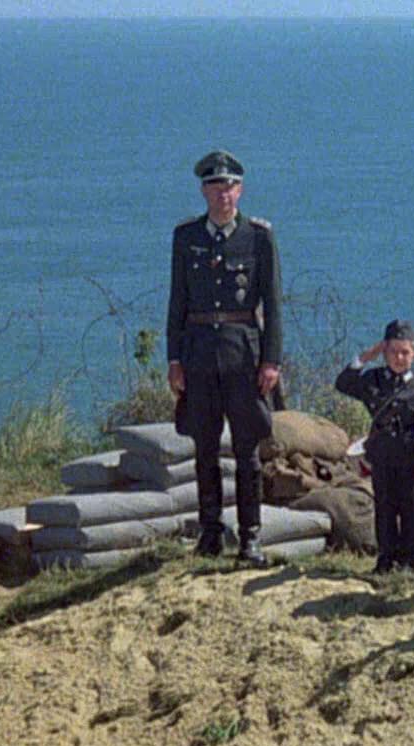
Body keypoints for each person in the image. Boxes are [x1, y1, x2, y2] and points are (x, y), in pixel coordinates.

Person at [165, 149, 282, 566]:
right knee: (205, 448)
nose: (223, 194)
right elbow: (177, 300)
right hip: (198, 355)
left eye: (230, 186)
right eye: (215, 186)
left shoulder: (258, 236)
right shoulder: (186, 237)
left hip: (243, 355)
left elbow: (272, 301)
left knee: (247, 451)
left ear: (240, 190)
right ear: (203, 191)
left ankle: (250, 537)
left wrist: (271, 360)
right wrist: (173, 358)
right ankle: (210, 532)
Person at [336, 320, 414, 574]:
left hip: (411, 453)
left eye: (405, 353)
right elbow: (343, 383)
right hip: (381, 453)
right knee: (385, 507)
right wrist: (367, 356)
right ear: (385, 352)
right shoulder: (374, 379)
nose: (399, 358)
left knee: (411, 508)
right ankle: (385, 557)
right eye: (392, 352)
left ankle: (410, 560)